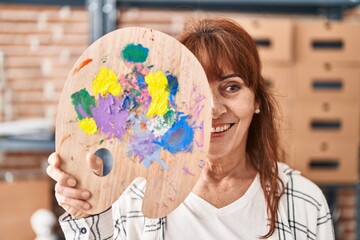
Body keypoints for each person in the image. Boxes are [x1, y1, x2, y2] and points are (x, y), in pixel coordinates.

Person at [47, 18, 335, 240]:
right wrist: (85, 210)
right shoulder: (132, 200)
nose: (212, 109)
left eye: (231, 88)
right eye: (193, 91)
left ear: (256, 100)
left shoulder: (304, 200)